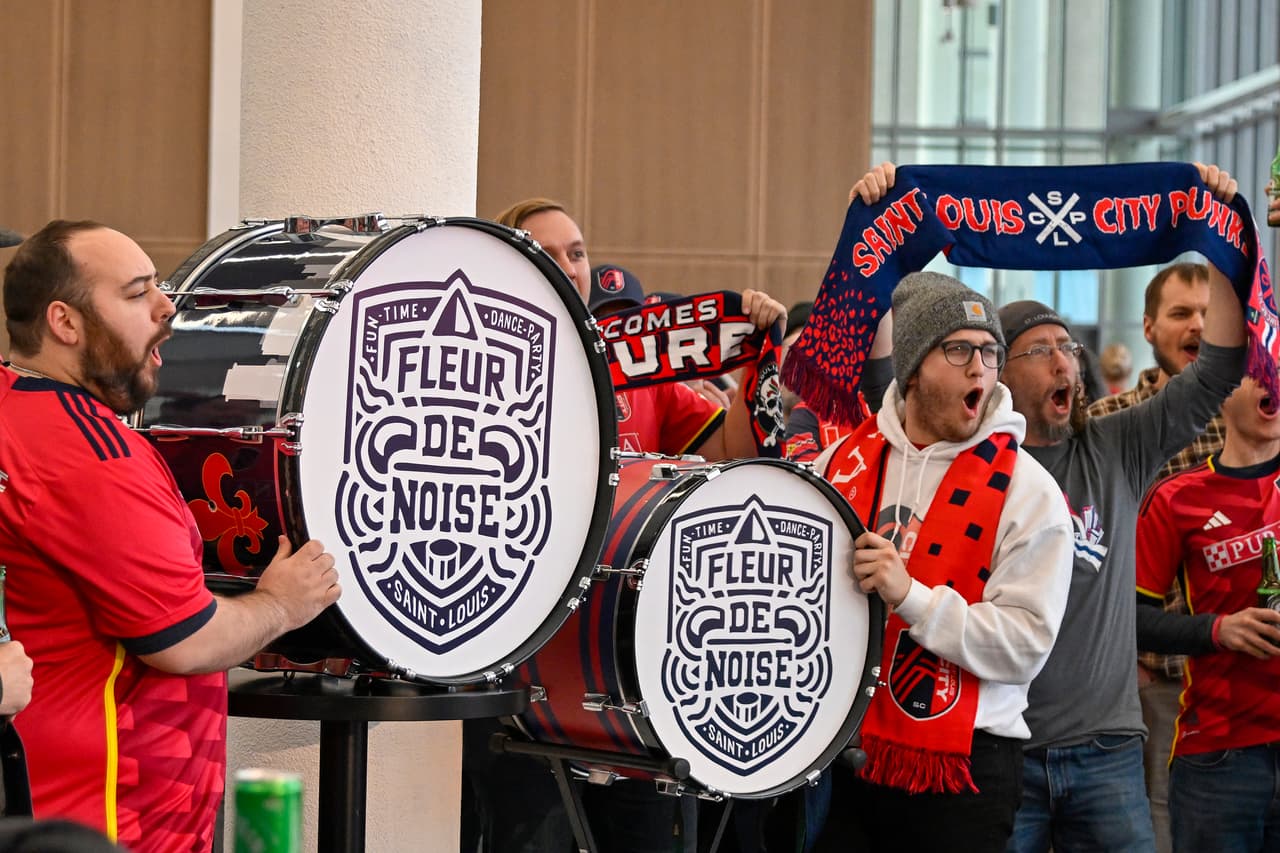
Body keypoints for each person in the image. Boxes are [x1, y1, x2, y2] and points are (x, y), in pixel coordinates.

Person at [852, 160, 1243, 853]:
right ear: (1001, 369)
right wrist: (877, 228)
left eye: (1069, 346)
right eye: (1041, 349)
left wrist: (1220, 234)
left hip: (1106, 747)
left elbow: (1218, 369)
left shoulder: (1117, 443)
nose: (1066, 361)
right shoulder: (953, 458)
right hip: (996, 742)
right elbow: (888, 373)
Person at [0, 221, 341, 852]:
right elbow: (182, 642)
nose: (167, 308)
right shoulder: (90, 454)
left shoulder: (11, 406)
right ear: (64, 324)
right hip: (103, 821)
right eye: (136, 295)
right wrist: (282, 604)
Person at [463, 199, 785, 853]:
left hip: (626, 659)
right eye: (546, 252)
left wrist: (757, 351)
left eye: (576, 252)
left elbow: (735, 450)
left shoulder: (637, 366)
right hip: (520, 667)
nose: (568, 266)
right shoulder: (470, 369)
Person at [811, 271, 1073, 853]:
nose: (980, 367)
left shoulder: (1028, 492)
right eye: (959, 350)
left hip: (963, 768)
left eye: (989, 352)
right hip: (838, 752)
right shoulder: (843, 463)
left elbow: (1026, 645)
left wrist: (913, 598)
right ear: (912, 366)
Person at [1086, 261, 1219, 853]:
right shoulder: (1103, 426)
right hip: (1143, 682)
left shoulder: (1248, 424)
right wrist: (1130, 658)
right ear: (1147, 326)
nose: (1198, 325)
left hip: (1233, 679)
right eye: (1181, 313)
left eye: (1210, 316)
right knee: (1152, 830)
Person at [1134, 376, 1280, 852]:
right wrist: (1219, 630)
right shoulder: (1178, 497)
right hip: (1219, 753)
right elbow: (1131, 620)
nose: (1273, 380)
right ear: (1223, 391)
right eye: (1259, 370)